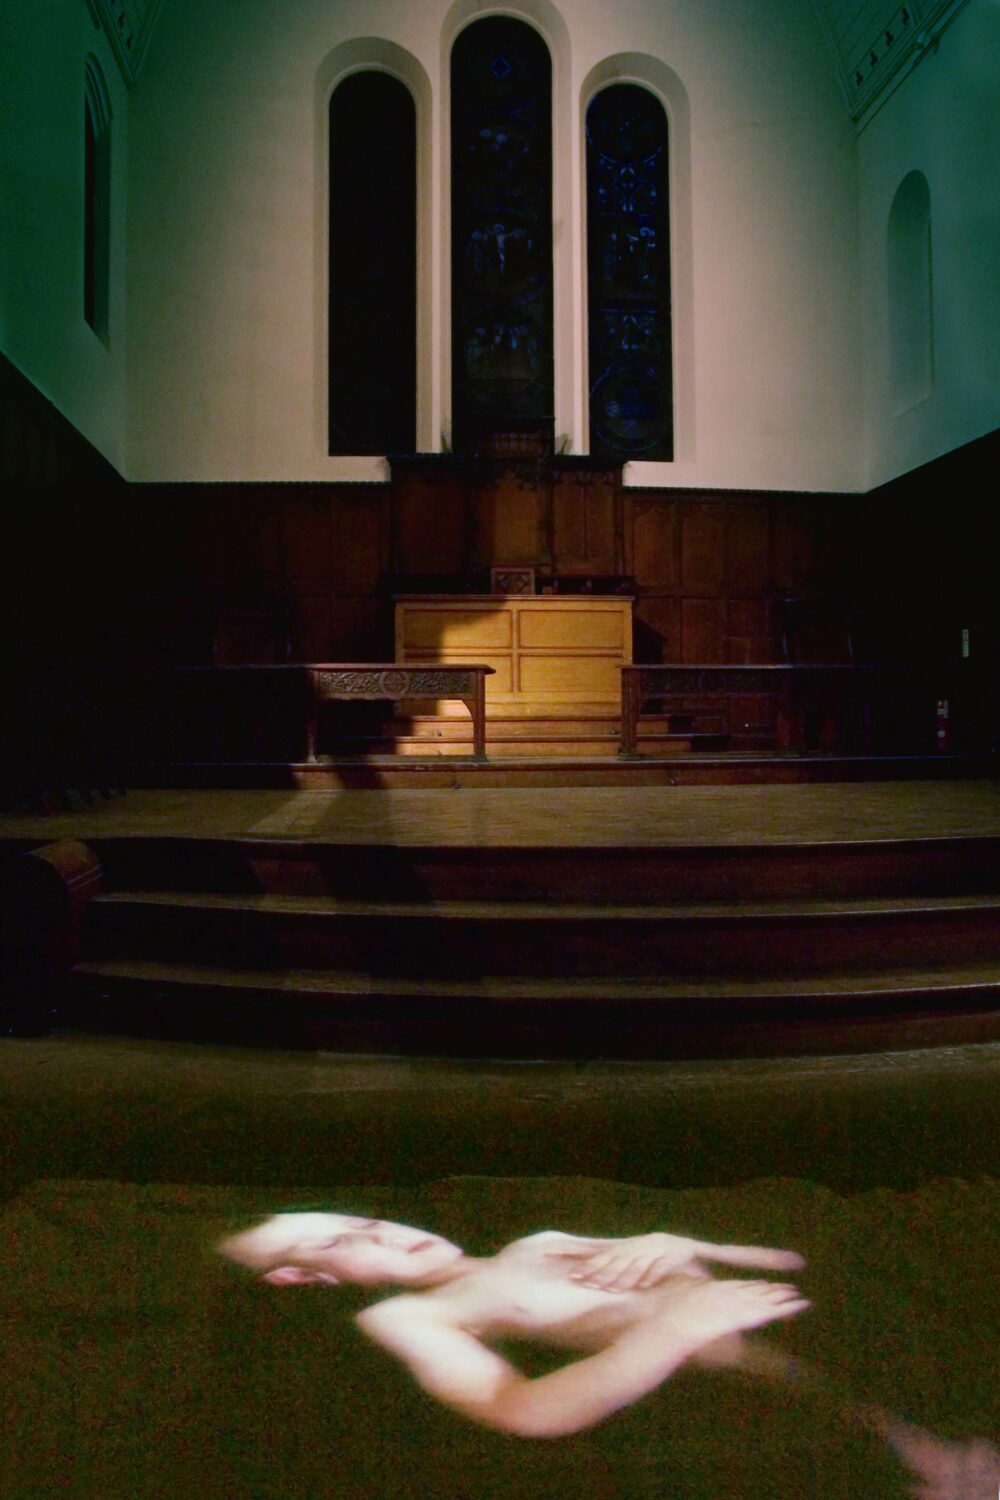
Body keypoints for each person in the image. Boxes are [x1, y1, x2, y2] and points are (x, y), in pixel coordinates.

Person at [218, 1213, 998, 1495]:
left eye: (367, 1217)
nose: (380, 1231)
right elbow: (520, 1412)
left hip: (836, 1340)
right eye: (338, 1239)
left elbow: (785, 1262)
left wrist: (687, 1241)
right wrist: (671, 1333)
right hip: (766, 1398)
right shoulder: (406, 1313)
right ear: (300, 1277)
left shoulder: (537, 1241)